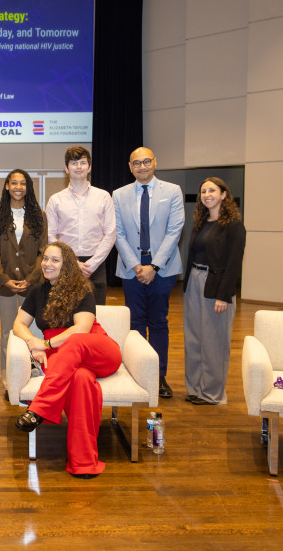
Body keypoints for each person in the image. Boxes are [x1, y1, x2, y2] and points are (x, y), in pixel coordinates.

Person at [13, 242, 122, 479]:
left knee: (75, 341)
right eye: (45, 259)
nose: (47, 264)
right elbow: (18, 324)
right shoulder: (37, 292)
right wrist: (34, 342)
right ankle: (83, 462)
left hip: (96, 348)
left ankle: (40, 408)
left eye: (55, 260)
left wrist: (48, 344)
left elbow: (82, 329)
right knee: (81, 380)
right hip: (63, 359)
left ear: (67, 265)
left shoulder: (81, 289)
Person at [113, 147, 185, 399]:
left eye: (146, 162)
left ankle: (158, 376)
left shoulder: (172, 191)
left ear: (155, 162)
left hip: (162, 270)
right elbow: (118, 233)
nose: (142, 167)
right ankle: (136, 372)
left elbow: (174, 231)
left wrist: (153, 266)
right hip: (131, 269)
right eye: (136, 163)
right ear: (129, 167)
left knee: (158, 323)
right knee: (134, 324)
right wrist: (136, 266)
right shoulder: (119, 194)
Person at [183, 177, 246, 405]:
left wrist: (224, 295)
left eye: (212, 190)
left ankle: (212, 394)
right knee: (194, 339)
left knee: (213, 341)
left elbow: (234, 262)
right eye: (203, 191)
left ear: (224, 195)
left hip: (216, 285)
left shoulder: (233, 225)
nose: (207, 194)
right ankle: (195, 388)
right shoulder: (202, 222)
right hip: (195, 282)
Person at [0, 169, 47, 394]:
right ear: (7, 186)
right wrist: (4, 279)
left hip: (34, 284)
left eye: (23, 183)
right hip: (6, 286)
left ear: (28, 187)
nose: (18, 187)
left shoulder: (39, 216)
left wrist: (32, 279)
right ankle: (9, 379)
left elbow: (43, 250)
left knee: (33, 331)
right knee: (8, 332)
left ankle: (34, 373)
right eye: (14, 183)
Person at [45, 146, 116, 305]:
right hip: (65, 264)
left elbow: (110, 234)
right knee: (65, 314)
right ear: (66, 168)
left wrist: (93, 263)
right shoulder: (56, 200)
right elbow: (50, 235)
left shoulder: (103, 196)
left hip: (96, 265)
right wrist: (72, 262)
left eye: (83, 163)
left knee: (96, 316)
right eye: (74, 163)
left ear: (89, 167)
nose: (78, 167)